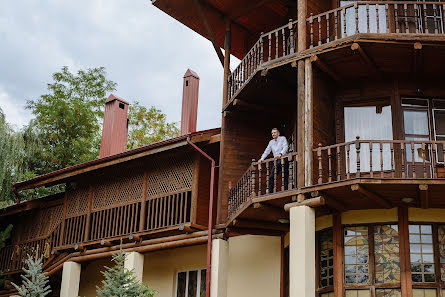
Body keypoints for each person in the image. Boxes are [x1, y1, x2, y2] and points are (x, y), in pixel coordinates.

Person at [259, 128, 289, 193]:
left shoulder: (282, 138)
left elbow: (285, 147)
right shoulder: (271, 142)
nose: (273, 134)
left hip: (284, 158)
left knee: (286, 174)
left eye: (274, 132)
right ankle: (270, 192)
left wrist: (281, 154)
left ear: (278, 133)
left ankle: (286, 190)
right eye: (272, 133)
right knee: (271, 176)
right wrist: (262, 158)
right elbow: (267, 151)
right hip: (277, 161)